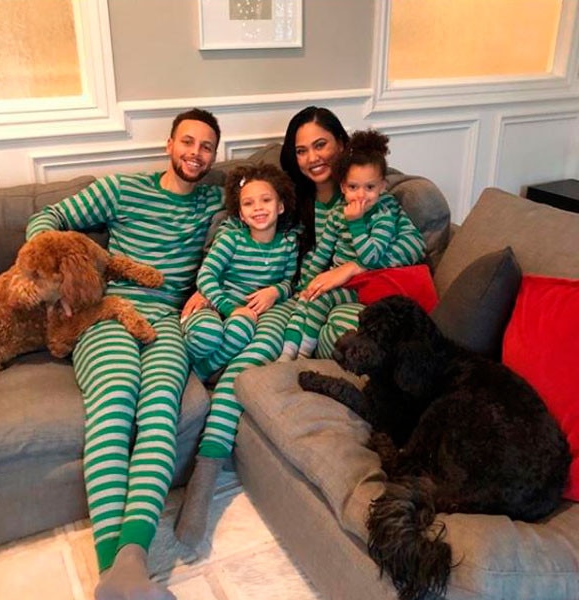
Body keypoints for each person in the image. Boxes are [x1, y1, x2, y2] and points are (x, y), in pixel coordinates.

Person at [25, 108, 223, 600]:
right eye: (188, 142)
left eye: (206, 147)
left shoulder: (214, 202)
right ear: (168, 144)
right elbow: (46, 219)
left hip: (167, 322)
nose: (195, 154)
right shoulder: (121, 189)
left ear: (214, 156)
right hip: (104, 313)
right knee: (114, 402)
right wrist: (58, 279)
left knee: (159, 412)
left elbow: (272, 209)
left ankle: (128, 562)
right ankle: (119, 571)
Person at [174, 106, 368, 554]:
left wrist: (283, 293)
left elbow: (293, 275)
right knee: (226, 334)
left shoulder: (358, 194)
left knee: (246, 364)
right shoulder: (273, 209)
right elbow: (215, 269)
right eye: (301, 150)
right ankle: (215, 359)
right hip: (242, 302)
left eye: (320, 145)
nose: (312, 157)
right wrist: (221, 298)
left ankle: (206, 469)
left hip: (297, 302)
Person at [280, 129, 426, 360]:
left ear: (382, 186)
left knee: (320, 300)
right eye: (353, 187)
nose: (361, 196)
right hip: (340, 282)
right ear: (343, 187)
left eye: (369, 187)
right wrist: (306, 285)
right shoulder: (336, 213)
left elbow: (371, 258)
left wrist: (356, 225)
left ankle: (303, 356)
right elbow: (323, 252)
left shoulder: (383, 214)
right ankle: (287, 354)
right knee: (308, 299)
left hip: (362, 284)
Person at [181, 163, 299, 381]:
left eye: (266, 200)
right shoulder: (231, 239)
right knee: (208, 332)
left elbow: (289, 282)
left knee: (242, 328)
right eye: (248, 203)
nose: (258, 208)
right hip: (214, 306)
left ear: (280, 206)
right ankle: (192, 366)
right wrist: (228, 307)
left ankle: (200, 374)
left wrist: (275, 291)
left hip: (243, 318)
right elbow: (206, 276)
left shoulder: (288, 243)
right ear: (242, 215)